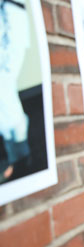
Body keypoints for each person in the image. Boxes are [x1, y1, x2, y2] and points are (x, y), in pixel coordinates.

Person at [0, 0, 31, 184]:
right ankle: (18, 157)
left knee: (4, 87)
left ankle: (19, 158)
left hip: (11, 20)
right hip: (8, 22)